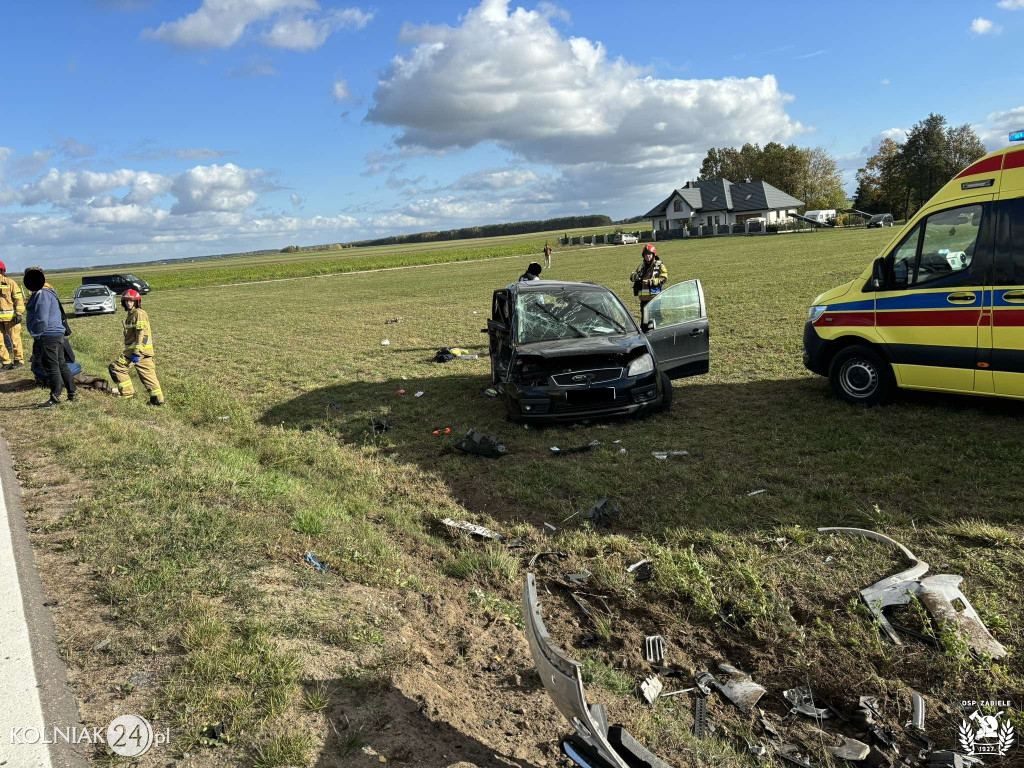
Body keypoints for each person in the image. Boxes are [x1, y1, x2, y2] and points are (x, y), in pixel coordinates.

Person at [24, 266, 76, 408]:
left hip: (48, 335)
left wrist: (36, 333)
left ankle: (55, 397)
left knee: (52, 367)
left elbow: (41, 317)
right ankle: (72, 393)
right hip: (55, 334)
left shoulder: (42, 293)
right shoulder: (49, 291)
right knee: (61, 365)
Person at [108, 288, 164, 405]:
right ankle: (158, 401)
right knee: (148, 375)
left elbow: (142, 333)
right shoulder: (132, 314)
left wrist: (137, 351)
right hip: (145, 352)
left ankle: (127, 394)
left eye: (131, 301)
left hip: (136, 351)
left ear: (136, 302)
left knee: (116, 368)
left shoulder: (139, 314)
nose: (129, 303)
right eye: (127, 301)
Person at [629, 244, 668, 330]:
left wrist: (652, 282)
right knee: (644, 323)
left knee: (656, 320)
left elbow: (664, 278)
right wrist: (636, 277)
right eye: (646, 254)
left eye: (649, 254)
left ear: (654, 255)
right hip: (643, 299)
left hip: (654, 298)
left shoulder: (660, 265)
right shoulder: (641, 266)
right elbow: (631, 276)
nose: (648, 256)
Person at [0, 260, 26, 370]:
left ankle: (18, 360)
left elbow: (18, 299)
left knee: (15, 340)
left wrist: (19, 313)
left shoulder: (10, 283)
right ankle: (6, 362)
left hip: (11, 318)